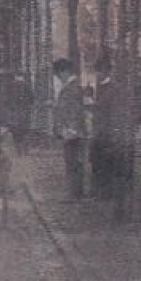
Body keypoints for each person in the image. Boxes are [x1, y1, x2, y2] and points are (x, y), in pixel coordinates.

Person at [90, 56, 127, 205]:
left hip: (107, 133)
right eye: (97, 72)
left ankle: (106, 194)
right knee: (97, 162)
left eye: (100, 71)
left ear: (107, 71)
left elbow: (115, 112)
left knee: (105, 163)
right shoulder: (101, 88)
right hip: (100, 131)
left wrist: (113, 133)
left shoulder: (113, 89)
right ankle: (101, 193)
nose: (98, 74)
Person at [51, 58, 85, 200]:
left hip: (71, 132)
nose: (58, 78)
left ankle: (74, 194)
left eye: (58, 75)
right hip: (70, 131)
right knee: (72, 161)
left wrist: (71, 129)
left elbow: (74, 110)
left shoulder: (72, 88)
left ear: (64, 72)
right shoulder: (72, 87)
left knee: (72, 162)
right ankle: (75, 192)